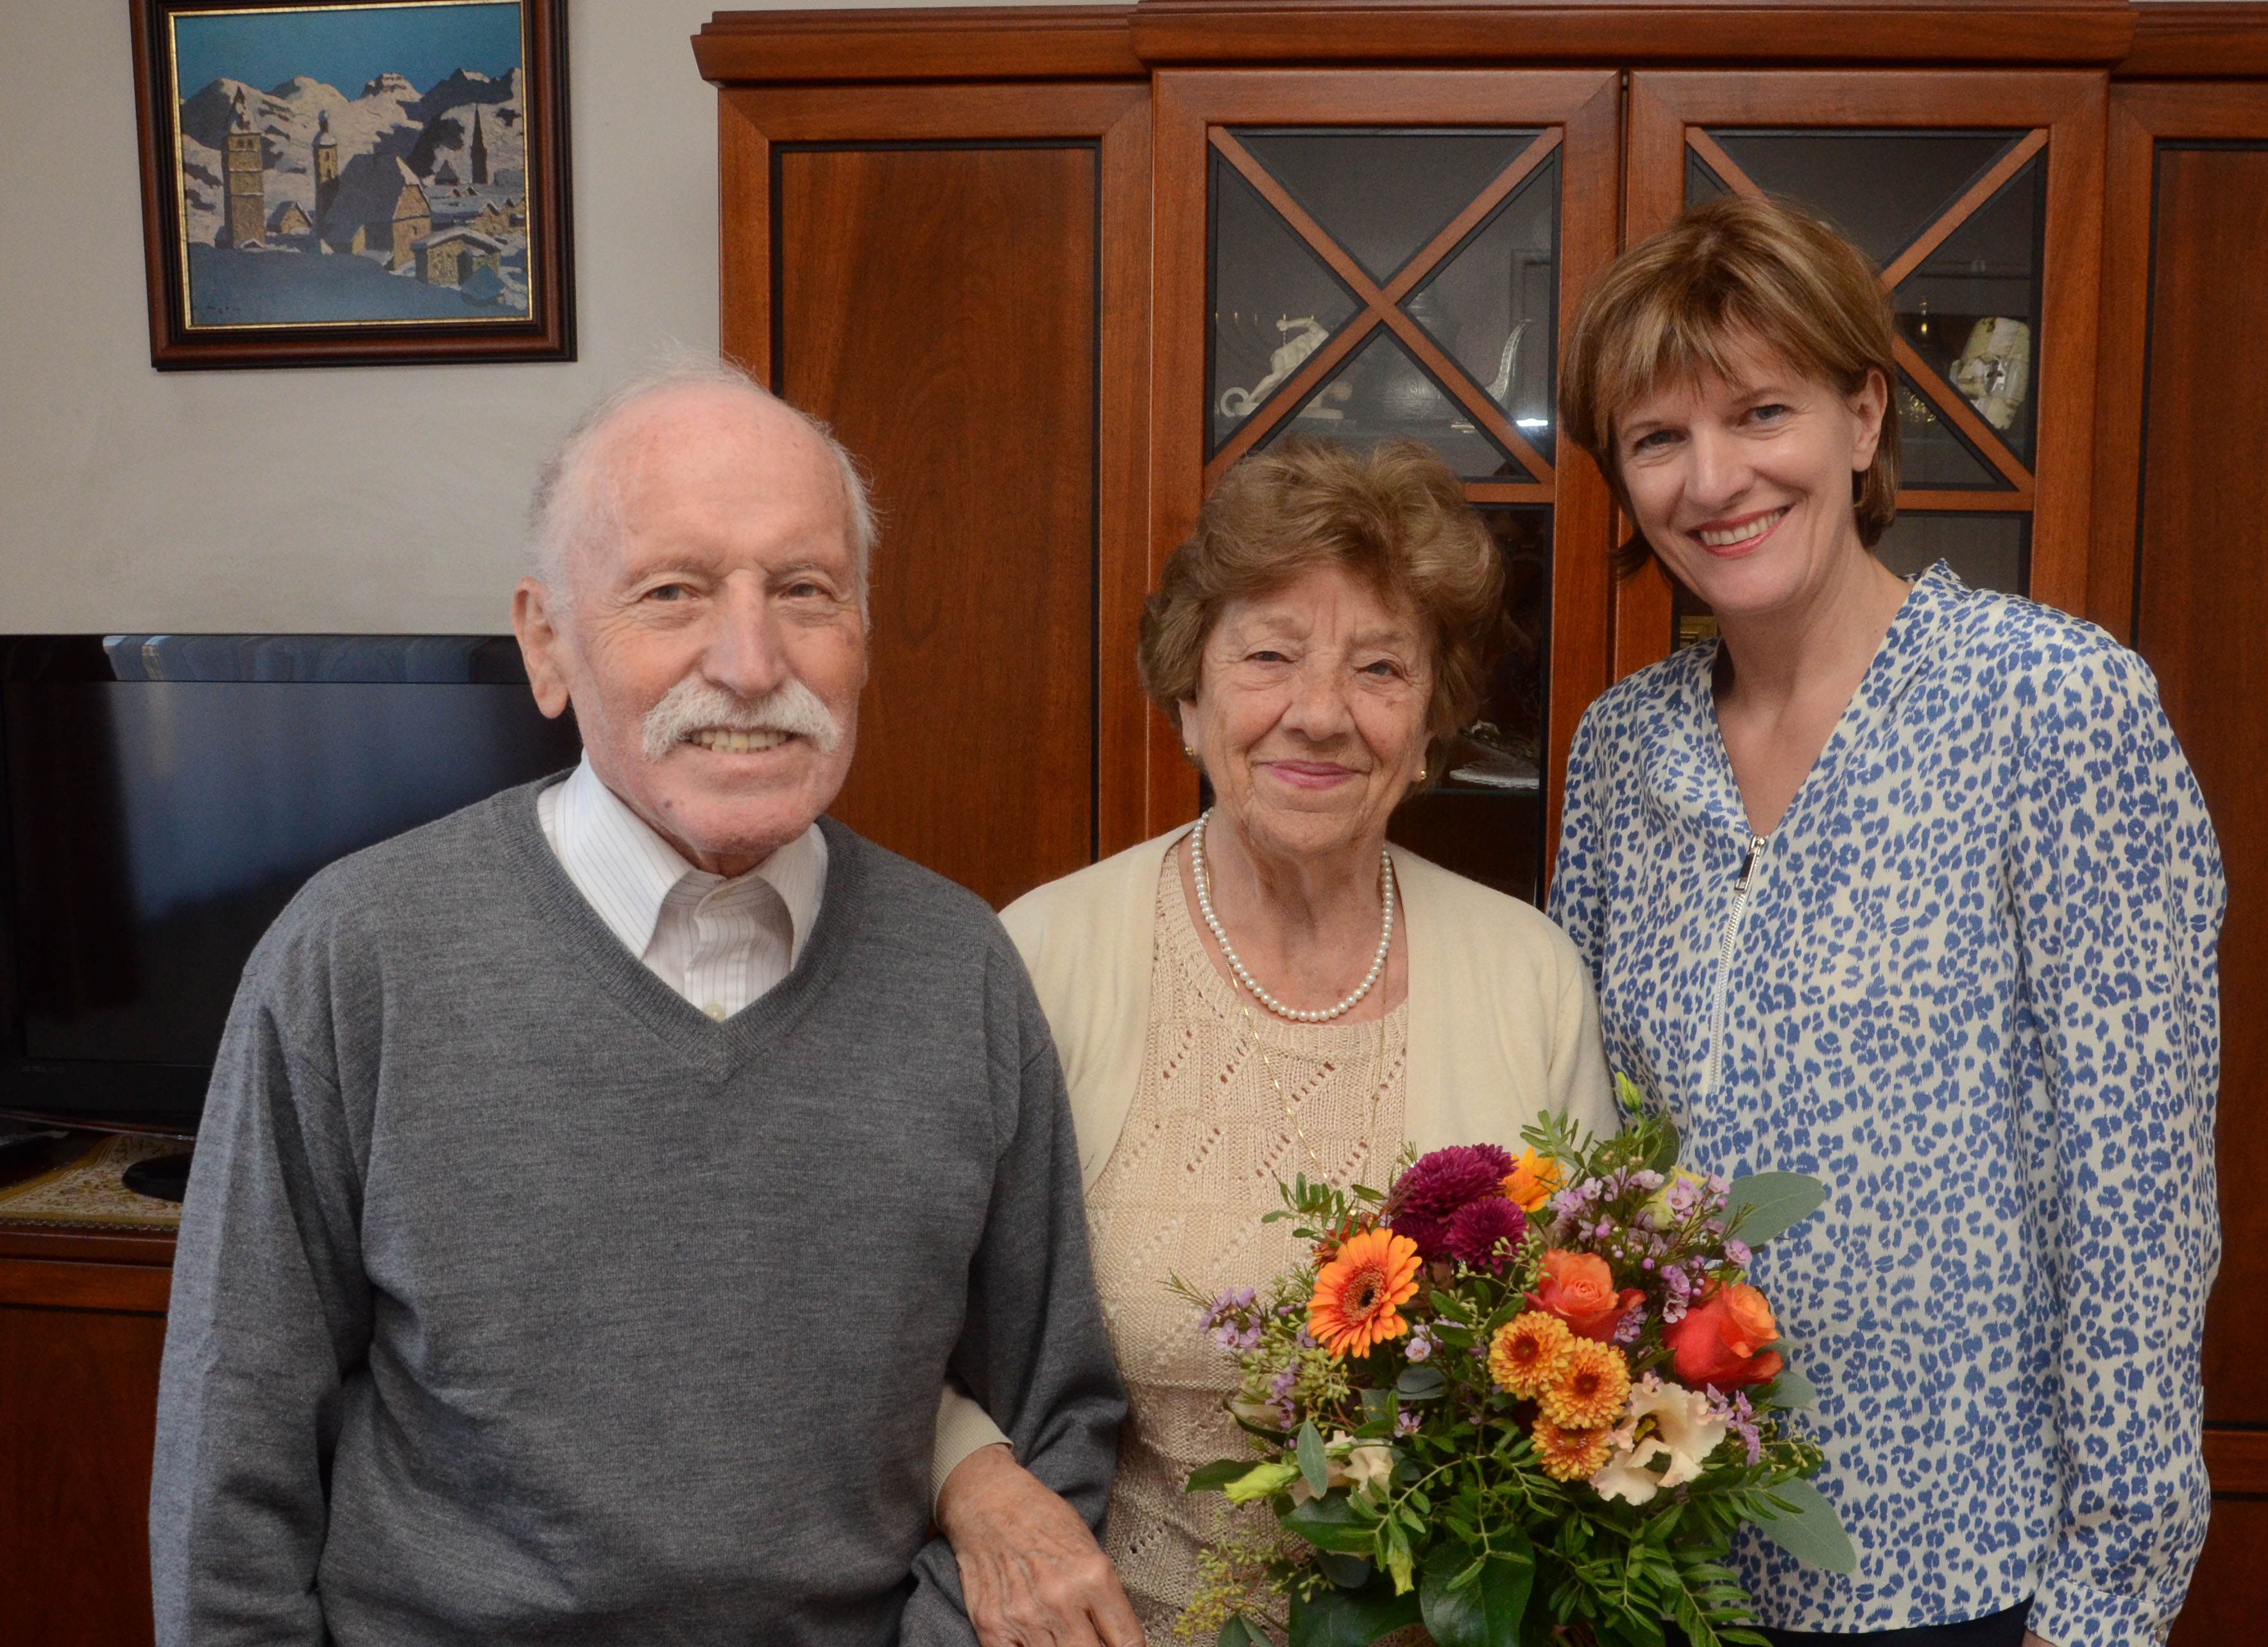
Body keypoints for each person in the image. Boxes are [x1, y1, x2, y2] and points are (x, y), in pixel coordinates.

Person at [149, 356, 1124, 1646]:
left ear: (864, 636)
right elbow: (231, 1473)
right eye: (673, 592)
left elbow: (1056, 1415)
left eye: (805, 591)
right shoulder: (355, 957)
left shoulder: (960, 970)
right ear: (547, 642)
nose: (750, 662)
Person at [1548, 193, 2225, 1647]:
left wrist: (2107, 1599)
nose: (1713, 480)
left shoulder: (2051, 704)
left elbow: (2140, 1195)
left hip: (1961, 1570)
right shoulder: (1622, 749)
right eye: (1659, 438)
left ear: (1863, 418)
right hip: (1666, 1553)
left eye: (1762, 413)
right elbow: (1587, 1153)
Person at [930, 440, 1620, 1640]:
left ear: (1431, 725)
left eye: (1379, 668)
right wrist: (979, 1487)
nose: (1320, 714)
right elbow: (895, 1322)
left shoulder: (1530, 974)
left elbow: (1590, 1351)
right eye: (1268, 656)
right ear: (1190, 698)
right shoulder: (1040, 954)